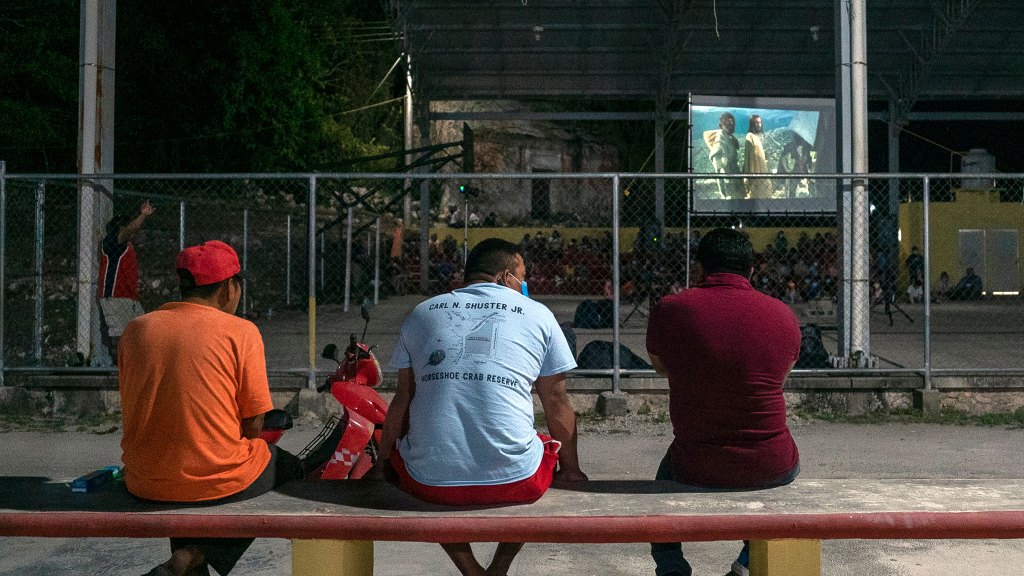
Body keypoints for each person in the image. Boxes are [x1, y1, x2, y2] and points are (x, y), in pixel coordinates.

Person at [120, 240, 343, 576]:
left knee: (191, 475)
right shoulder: (240, 333)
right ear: (227, 289)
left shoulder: (136, 330)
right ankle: (191, 555)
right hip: (207, 481)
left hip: (143, 480)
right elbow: (254, 426)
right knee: (288, 468)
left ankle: (184, 563)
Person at [381, 237, 588, 576]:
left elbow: (404, 398)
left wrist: (382, 466)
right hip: (517, 482)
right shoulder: (539, 315)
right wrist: (572, 471)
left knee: (426, 462)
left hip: (427, 483)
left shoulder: (420, 313)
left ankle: (471, 570)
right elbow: (555, 400)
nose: (524, 283)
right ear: (504, 276)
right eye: (522, 276)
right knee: (536, 447)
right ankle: (500, 567)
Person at [645, 228, 801, 576]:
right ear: (752, 271)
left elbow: (662, 368)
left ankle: (672, 569)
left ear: (699, 268)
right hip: (770, 463)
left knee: (660, 491)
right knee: (784, 475)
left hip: (696, 464)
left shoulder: (670, 310)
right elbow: (780, 379)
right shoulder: (783, 316)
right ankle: (745, 564)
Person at [95, 199, 155, 364]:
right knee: (119, 333)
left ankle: (134, 363)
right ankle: (119, 365)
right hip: (115, 295)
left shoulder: (125, 246)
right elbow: (128, 231)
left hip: (128, 297)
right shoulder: (112, 242)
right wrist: (143, 215)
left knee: (143, 329)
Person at [703, 112, 743, 199]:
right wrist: (723, 193)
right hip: (730, 188)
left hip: (737, 183)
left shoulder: (730, 139)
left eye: (731, 124)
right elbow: (719, 171)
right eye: (727, 124)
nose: (730, 126)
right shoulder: (719, 144)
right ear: (721, 126)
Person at [742, 115, 772, 199]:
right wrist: (752, 177)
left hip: (763, 173)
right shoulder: (750, 136)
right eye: (756, 122)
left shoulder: (758, 137)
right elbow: (750, 158)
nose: (758, 125)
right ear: (752, 124)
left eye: (760, 122)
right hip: (756, 175)